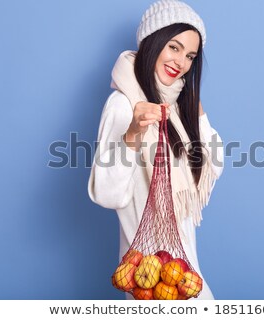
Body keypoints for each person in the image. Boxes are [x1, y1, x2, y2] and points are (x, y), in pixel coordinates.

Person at [88, 0, 223, 299]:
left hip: (184, 272)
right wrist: (134, 132)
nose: (181, 62)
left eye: (190, 55)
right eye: (174, 47)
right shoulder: (123, 105)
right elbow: (108, 194)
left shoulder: (177, 104)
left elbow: (214, 164)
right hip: (147, 279)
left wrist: (196, 111)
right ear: (153, 42)